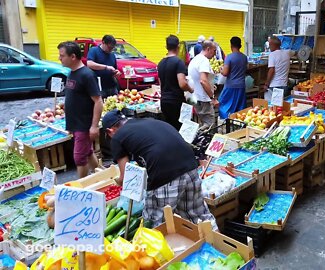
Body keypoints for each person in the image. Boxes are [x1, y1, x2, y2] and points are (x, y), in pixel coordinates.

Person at [102, 109, 218, 230]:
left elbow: (125, 176)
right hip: (190, 167)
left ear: (110, 131)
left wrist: (118, 182)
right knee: (198, 216)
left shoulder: (117, 137)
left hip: (166, 175)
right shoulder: (148, 121)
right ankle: (219, 244)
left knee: (155, 223)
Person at [57, 41, 103, 178]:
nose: (59, 58)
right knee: (87, 152)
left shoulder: (87, 75)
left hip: (84, 124)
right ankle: (102, 176)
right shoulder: (72, 72)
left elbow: (98, 101)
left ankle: (81, 187)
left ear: (73, 57)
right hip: (75, 124)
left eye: (62, 55)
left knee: (79, 157)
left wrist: (94, 126)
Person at [158, 35, 194, 130]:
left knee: (170, 129)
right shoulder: (178, 62)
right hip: (175, 101)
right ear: (178, 46)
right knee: (180, 128)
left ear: (166, 47)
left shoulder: (160, 63)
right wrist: (191, 90)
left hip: (164, 101)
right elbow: (182, 83)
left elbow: (160, 83)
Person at [188, 40, 217, 131]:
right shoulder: (204, 61)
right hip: (203, 99)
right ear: (208, 49)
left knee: (203, 123)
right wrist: (213, 98)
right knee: (209, 126)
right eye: (214, 51)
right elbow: (203, 81)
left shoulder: (195, 59)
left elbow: (197, 79)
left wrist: (211, 85)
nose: (215, 54)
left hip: (195, 97)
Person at [218, 36, 248, 119]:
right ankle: (239, 124)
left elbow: (225, 73)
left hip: (230, 86)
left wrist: (221, 69)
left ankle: (226, 122)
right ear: (240, 46)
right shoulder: (244, 57)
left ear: (231, 45)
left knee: (224, 105)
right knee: (240, 108)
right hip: (241, 85)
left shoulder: (229, 57)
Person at [264, 36, 290, 101]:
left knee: (274, 107)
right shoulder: (287, 53)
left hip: (275, 86)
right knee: (280, 106)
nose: (269, 46)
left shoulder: (272, 55)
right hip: (284, 85)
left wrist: (266, 84)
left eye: (270, 44)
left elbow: (271, 70)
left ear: (273, 45)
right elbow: (295, 52)